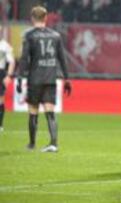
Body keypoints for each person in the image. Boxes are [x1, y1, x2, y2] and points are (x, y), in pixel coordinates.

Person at [17, 6, 71, 152]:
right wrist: (67, 79)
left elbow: (24, 59)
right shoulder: (56, 35)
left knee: (33, 111)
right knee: (50, 112)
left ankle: (31, 144)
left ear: (32, 18)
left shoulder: (29, 35)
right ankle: (53, 144)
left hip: (34, 78)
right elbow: (62, 59)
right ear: (45, 18)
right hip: (50, 79)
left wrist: (19, 78)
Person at [0, 26, 16, 132]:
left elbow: (11, 62)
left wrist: (9, 76)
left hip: (0, 72)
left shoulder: (5, 45)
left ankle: (0, 125)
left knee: (0, 100)